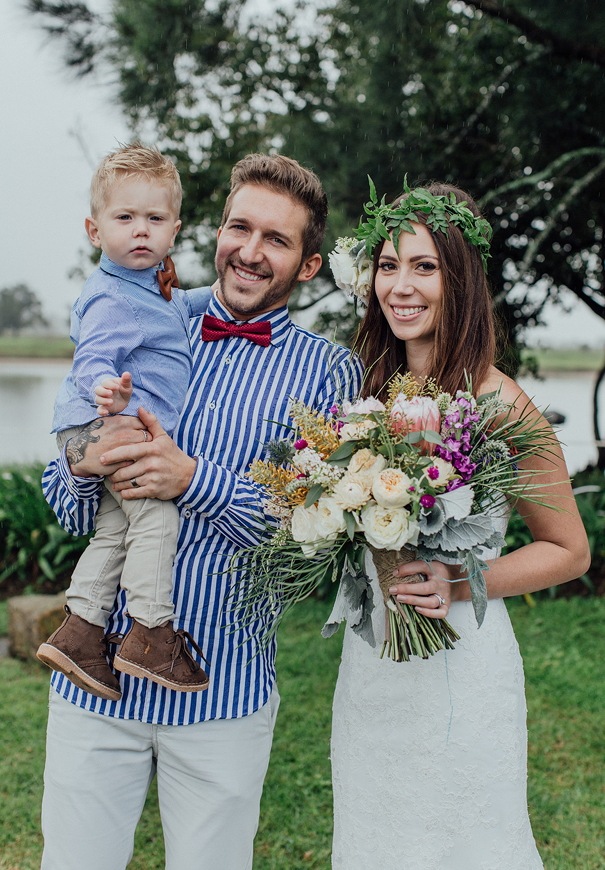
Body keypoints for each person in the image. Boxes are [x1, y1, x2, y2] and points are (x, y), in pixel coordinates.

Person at [40, 153, 362, 870]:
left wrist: (194, 480)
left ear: (307, 266)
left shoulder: (330, 374)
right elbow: (63, 501)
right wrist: (83, 461)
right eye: (238, 228)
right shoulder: (134, 315)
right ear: (213, 232)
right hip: (97, 693)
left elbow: (310, 539)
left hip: (225, 693)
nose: (249, 252)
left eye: (275, 240)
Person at [327, 182, 590, 869]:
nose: (400, 286)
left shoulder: (500, 403)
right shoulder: (365, 394)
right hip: (373, 663)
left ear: (460, 278)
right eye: (388, 265)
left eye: (424, 267)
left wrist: (458, 582)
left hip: (460, 666)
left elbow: (568, 551)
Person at [37, 142, 212, 699]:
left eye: (154, 219)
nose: (141, 231)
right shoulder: (113, 297)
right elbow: (93, 355)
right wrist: (103, 389)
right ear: (95, 230)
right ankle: (151, 634)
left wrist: (222, 296)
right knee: (158, 517)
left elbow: (178, 307)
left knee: (116, 529)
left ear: (174, 230)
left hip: (107, 428)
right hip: (111, 425)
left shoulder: (145, 289)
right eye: (125, 218)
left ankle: (81, 630)